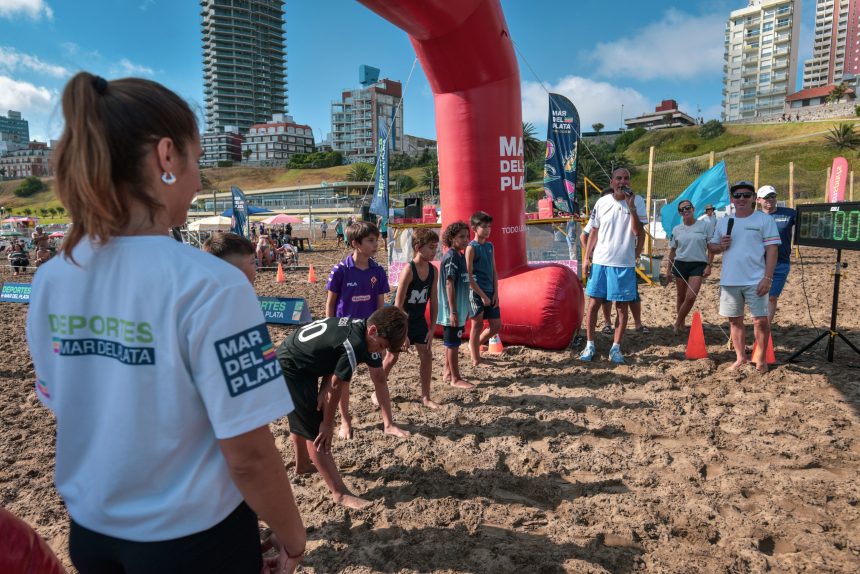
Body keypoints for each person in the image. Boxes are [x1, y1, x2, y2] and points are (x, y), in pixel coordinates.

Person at [25, 72, 305, 573]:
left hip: (91, 532)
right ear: (167, 157)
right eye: (197, 162)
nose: (199, 181)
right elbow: (249, 454)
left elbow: (66, 405)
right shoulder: (214, 284)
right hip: (192, 539)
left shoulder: (51, 278)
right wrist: (293, 536)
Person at [277, 307, 408, 510]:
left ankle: (302, 464)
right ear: (373, 331)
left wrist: (323, 387)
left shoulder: (358, 325)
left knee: (303, 416)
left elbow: (330, 354)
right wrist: (328, 425)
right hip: (291, 366)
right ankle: (339, 493)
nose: (379, 351)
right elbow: (337, 385)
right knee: (316, 429)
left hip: (301, 359)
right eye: (381, 345)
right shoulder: (355, 343)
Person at [325, 220, 407, 440]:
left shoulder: (378, 271)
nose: (376, 244)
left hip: (371, 335)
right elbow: (331, 304)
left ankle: (388, 423)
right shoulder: (341, 270)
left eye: (376, 240)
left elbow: (381, 307)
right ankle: (345, 421)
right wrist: (330, 332)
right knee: (343, 380)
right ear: (356, 243)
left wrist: (384, 334)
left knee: (379, 376)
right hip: (345, 334)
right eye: (371, 241)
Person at [708, 181, 780, 373]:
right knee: (734, 320)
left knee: (761, 321)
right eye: (737, 196)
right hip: (730, 280)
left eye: (746, 195)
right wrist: (720, 246)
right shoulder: (724, 221)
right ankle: (740, 358)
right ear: (732, 199)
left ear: (753, 199)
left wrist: (768, 277)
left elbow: (772, 250)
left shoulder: (764, 220)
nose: (741, 199)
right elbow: (712, 248)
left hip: (756, 279)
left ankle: (761, 359)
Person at [580, 168, 647, 364]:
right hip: (601, 261)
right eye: (619, 178)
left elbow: (637, 232)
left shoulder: (638, 201)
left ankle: (616, 347)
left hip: (623, 264)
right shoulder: (602, 202)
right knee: (593, 305)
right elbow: (593, 231)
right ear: (612, 182)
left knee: (622, 308)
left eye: (626, 178)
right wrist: (586, 258)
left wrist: (631, 207)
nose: (622, 182)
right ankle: (590, 344)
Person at [383, 228, 440, 409]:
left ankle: (425, 397)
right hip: (399, 319)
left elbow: (434, 300)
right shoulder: (409, 269)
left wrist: (432, 329)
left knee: (427, 354)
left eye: (436, 248)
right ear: (418, 247)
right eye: (431, 248)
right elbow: (398, 304)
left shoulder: (433, 270)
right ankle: (378, 388)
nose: (434, 251)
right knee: (393, 357)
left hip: (418, 320)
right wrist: (404, 332)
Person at [666, 200, 714, 334]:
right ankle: (682, 324)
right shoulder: (677, 229)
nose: (685, 211)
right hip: (680, 264)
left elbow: (711, 249)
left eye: (687, 208)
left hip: (698, 264)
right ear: (679, 213)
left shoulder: (704, 226)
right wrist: (668, 270)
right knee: (681, 296)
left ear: (693, 209)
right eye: (682, 209)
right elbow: (672, 251)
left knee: (691, 297)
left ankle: (677, 322)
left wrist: (709, 265)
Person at [438, 221, 475, 388]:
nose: (466, 239)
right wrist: (453, 311)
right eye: (461, 237)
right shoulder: (452, 256)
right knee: (453, 344)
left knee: (451, 343)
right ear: (451, 238)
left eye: (467, 236)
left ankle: (447, 372)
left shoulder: (459, 255)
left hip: (459, 308)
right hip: (451, 310)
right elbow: (449, 284)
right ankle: (455, 378)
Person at [465, 211, 501, 366]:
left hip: (490, 291)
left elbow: (494, 270)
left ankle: (473, 345)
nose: (488, 230)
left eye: (489, 227)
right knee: (477, 324)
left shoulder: (490, 246)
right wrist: (482, 295)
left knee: (496, 326)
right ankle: (475, 358)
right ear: (474, 228)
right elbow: (468, 275)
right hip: (476, 291)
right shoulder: (471, 248)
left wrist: (496, 294)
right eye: (484, 226)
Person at [756, 185, 796, 324]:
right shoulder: (754, 217)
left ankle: (764, 330)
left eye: (772, 196)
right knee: (755, 298)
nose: (770, 200)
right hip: (757, 264)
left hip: (781, 263)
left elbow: (807, 226)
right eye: (766, 197)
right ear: (758, 200)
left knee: (771, 297)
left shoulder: (789, 213)